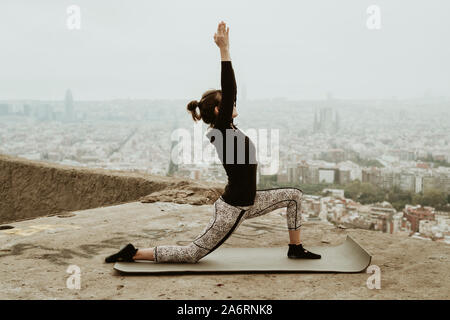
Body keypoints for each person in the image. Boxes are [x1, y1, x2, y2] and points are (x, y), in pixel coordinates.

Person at [105, 21, 321, 264]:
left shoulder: (228, 127)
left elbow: (232, 91)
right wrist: (224, 50)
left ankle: (296, 248)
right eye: (228, 102)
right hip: (233, 208)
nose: (234, 102)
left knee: (294, 196)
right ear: (220, 110)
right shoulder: (222, 131)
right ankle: (134, 253)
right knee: (192, 254)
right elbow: (229, 89)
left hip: (249, 201)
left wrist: (227, 52)